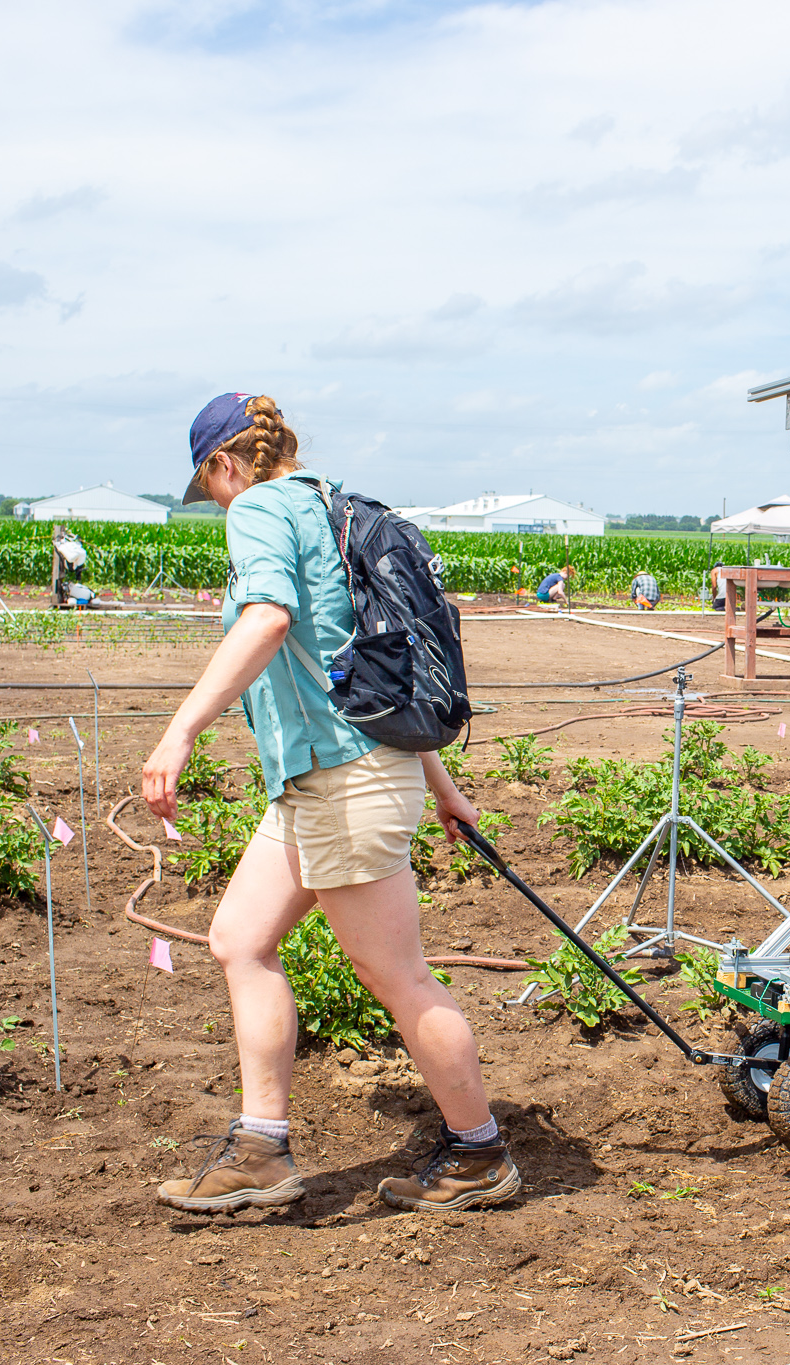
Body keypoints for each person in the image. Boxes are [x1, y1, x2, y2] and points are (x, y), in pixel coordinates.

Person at [144, 392, 519, 1216]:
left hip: (343, 781)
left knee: (399, 977)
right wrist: (445, 787)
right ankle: (259, 1148)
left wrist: (177, 735)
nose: (216, 504)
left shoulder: (263, 507)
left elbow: (269, 619)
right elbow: (364, 673)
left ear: (225, 465)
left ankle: (480, 1152)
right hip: (332, 774)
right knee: (239, 939)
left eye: (210, 489)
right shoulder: (328, 504)